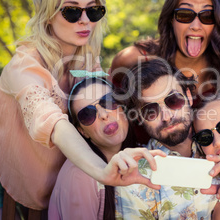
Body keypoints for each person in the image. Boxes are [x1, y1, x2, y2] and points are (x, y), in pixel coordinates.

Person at [0, 0, 135, 215]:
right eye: (72, 11)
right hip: (1, 184)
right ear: (47, 15)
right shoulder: (23, 66)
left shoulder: (89, 62)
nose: (85, 20)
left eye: (93, 10)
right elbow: (53, 122)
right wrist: (100, 171)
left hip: (63, 182)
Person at [114, 59, 220, 219]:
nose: (166, 117)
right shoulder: (132, 180)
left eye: (173, 100)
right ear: (139, 118)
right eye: (151, 110)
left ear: (189, 97)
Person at [110, 0, 220, 101]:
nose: (196, 26)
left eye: (207, 15)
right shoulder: (133, 59)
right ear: (171, 19)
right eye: (185, 14)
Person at [48, 77, 165, 219]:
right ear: (82, 131)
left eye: (108, 101)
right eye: (88, 114)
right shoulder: (80, 175)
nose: (103, 115)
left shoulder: (139, 152)